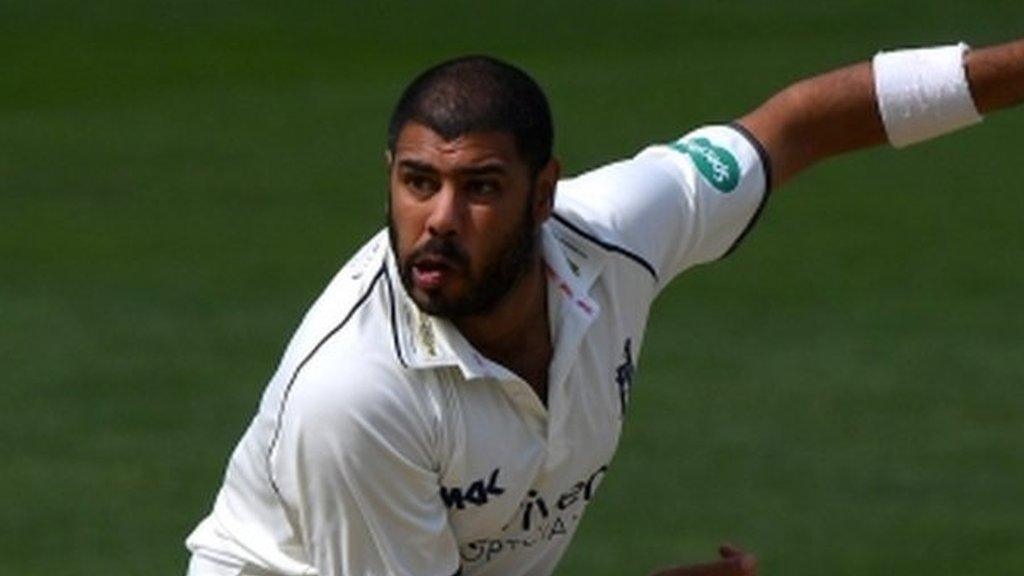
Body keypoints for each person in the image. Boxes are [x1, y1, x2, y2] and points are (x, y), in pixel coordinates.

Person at [185, 38, 1024, 576]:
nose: (438, 220)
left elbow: (800, 124)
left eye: (479, 188)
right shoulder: (358, 396)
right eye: (417, 183)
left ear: (544, 193)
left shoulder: (616, 232)